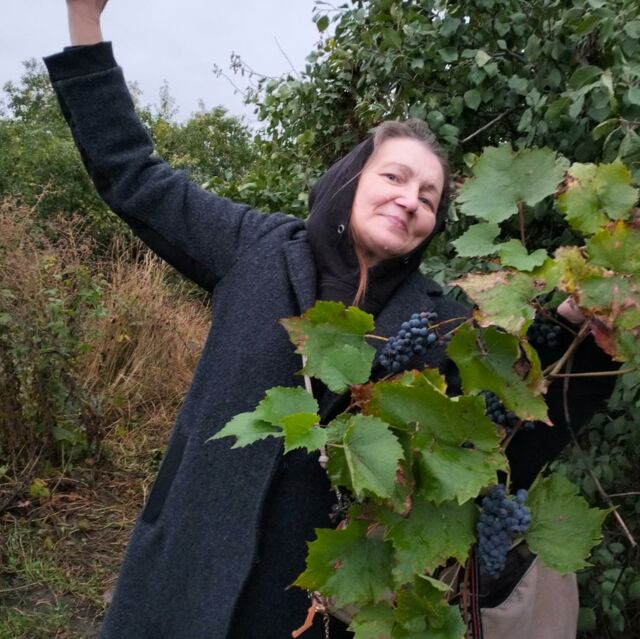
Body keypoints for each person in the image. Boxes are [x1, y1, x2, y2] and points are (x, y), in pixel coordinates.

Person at [44, 2, 616, 638]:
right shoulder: (255, 247)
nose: (410, 199)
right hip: (185, 569)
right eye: (394, 176)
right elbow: (133, 175)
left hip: (316, 612)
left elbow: (508, 445)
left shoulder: (443, 326)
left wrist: (585, 334)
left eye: (428, 197)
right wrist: (84, 23)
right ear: (350, 178)